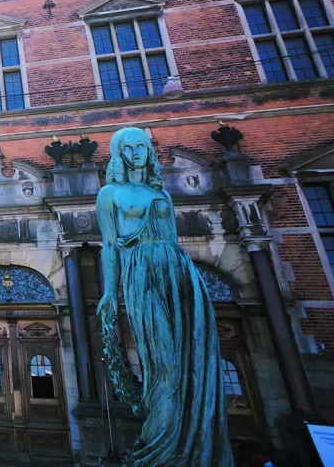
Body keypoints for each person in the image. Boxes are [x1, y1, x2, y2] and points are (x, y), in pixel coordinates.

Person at [96, 127, 233, 466]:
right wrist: (109, 292)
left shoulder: (162, 195)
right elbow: (110, 246)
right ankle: (163, 445)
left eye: (141, 145)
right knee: (163, 361)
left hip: (177, 270)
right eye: (127, 148)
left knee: (193, 353)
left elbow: (172, 239)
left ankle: (193, 441)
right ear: (119, 155)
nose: (136, 152)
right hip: (140, 272)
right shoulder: (109, 193)